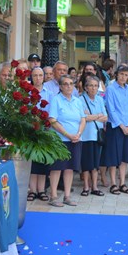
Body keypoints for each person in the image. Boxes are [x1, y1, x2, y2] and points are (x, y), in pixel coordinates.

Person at [47, 75, 86, 207]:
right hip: (61, 140)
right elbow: (52, 120)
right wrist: (68, 134)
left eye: (71, 83)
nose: (69, 86)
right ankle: (53, 196)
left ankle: (67, 196)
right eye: (65, 84)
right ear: (60, 86)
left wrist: (78, 134)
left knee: (69, 168)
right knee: (57, 168)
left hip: (75, 139)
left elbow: (83, 119)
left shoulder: (77, 101)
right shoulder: (56, 100)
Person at [103, 65, 128, 195]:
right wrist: (121, 126)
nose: (124, 77)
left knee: (125, 156)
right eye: (122, 74)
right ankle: (113, 183)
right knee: (114, 156)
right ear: (117, 74)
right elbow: (111, 109)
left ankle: (122, 183)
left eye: (126, 75)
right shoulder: (111, 89)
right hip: (116, 127)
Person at [79, 75, 108, 197]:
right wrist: (97, 116)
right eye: (91, 85)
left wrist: (91, 116)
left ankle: (95, 186)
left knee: (96, 163)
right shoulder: (80, 100)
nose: (93, 88)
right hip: (85, 136)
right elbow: (84, 118)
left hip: (97, 136)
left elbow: (105, 117)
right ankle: (86, 186)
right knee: (86, 164)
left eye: (96, 86)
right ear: (85, 87)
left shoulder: (100, 100)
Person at [27, 67, 51, 202]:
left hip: (45, 130)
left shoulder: (49, 94)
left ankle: (41, 190)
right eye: (35, 75)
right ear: (32, 77)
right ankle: (32, 190)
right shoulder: (27, 92)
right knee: (32, 161)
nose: (38, 78)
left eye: (40, 75)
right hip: (31, 129)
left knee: (42, 161)